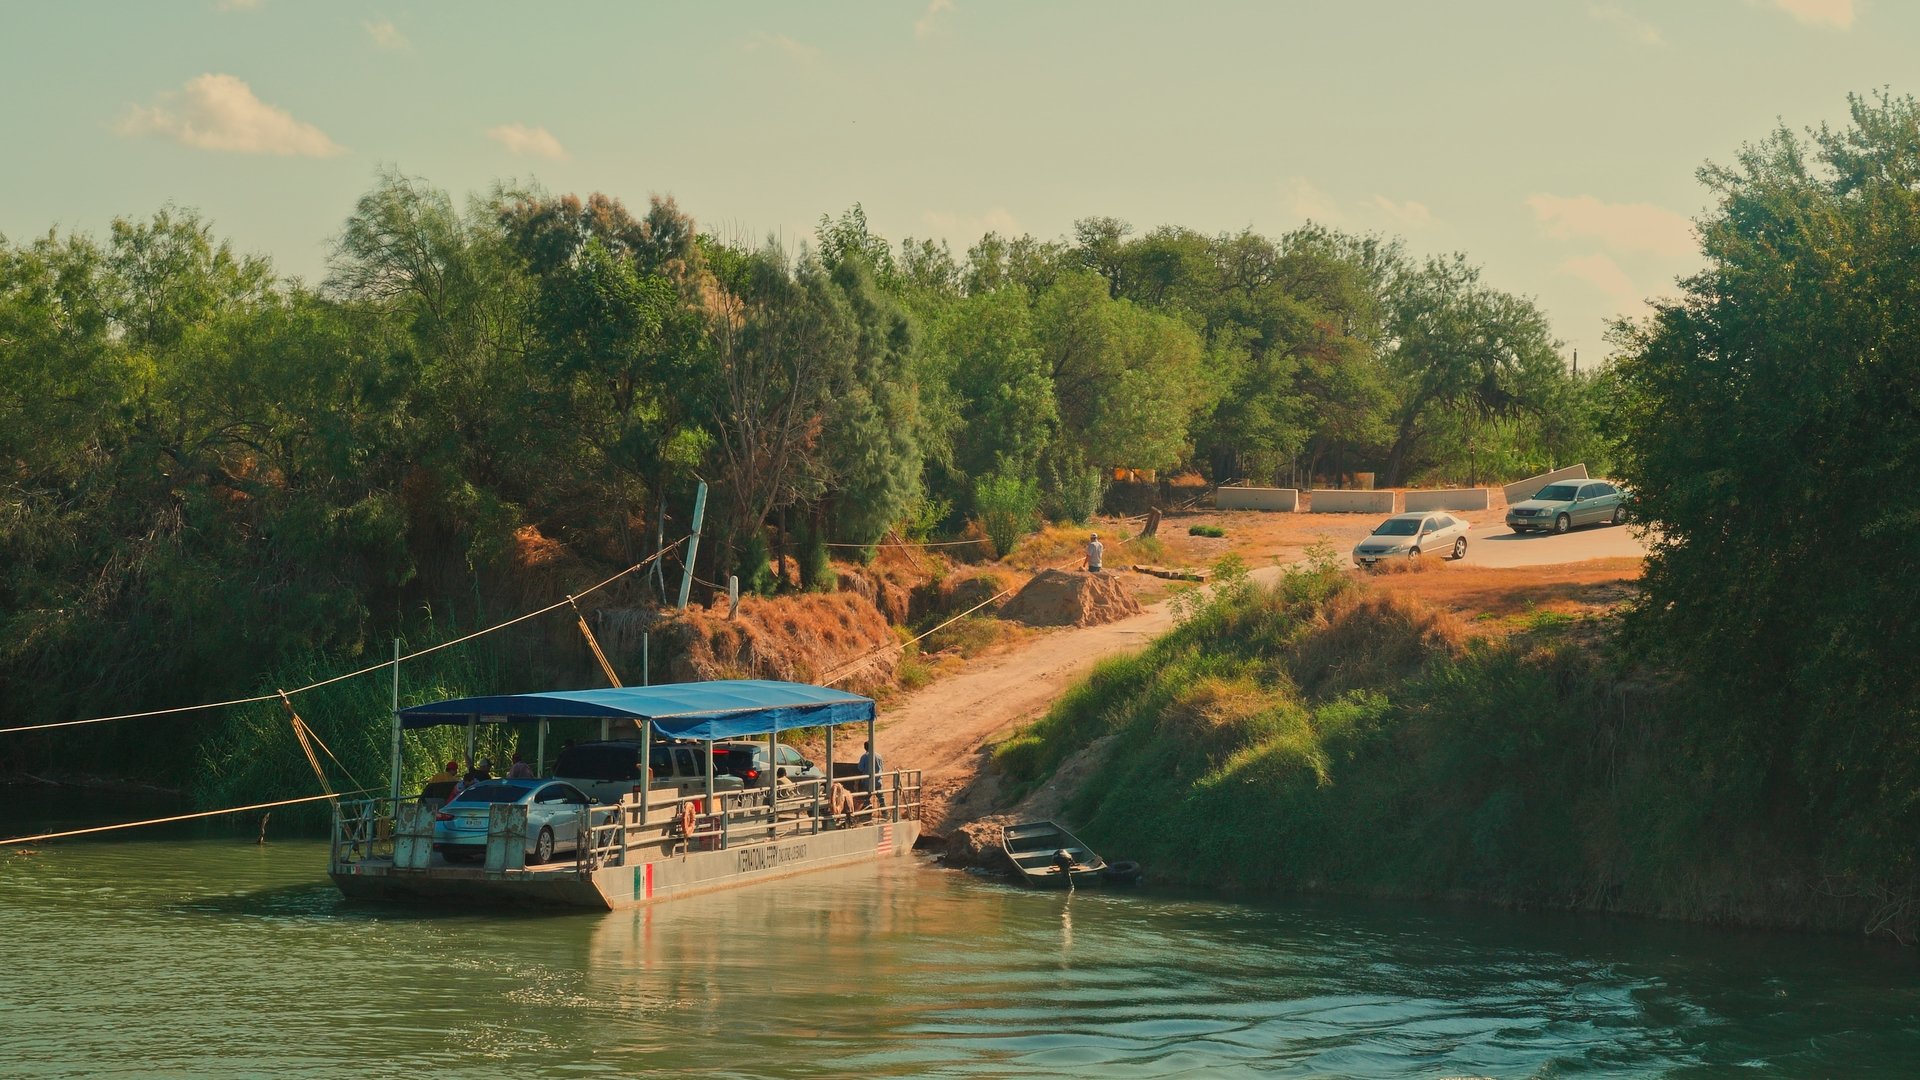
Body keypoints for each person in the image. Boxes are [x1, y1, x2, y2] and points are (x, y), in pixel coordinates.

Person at [857, 740, 884, 810]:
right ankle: (885, 813)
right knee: (881, 799)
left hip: (867, 782)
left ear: (865, 748)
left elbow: (860, 768)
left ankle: (868, 812)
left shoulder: (864, 757)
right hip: (878, 781)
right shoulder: (879, 756)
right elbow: (882, 768)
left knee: (866, 798)